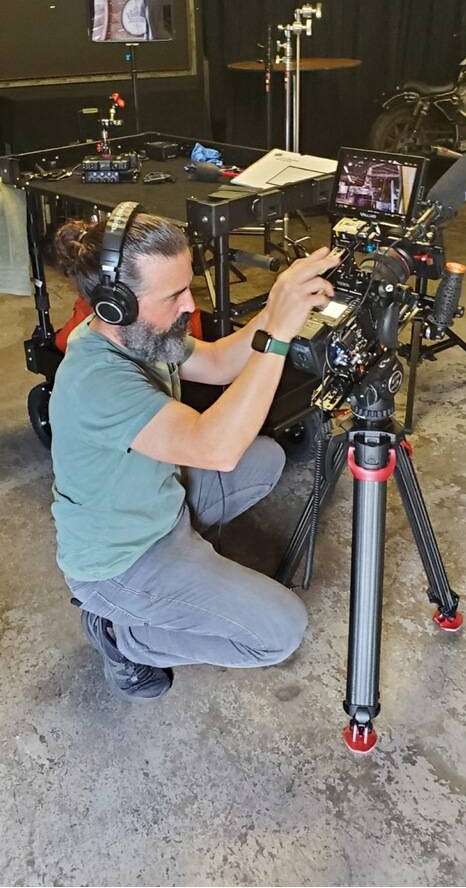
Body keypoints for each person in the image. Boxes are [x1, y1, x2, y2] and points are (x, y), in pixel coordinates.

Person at [51, 208, 339, 700]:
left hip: (155, 502)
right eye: (174, 295)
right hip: (121, 560)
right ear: (116, 304)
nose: (189, 304)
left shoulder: (139, 331)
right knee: (279, 631)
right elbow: (215, 449)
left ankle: (180, 580)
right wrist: (279, 338)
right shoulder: (98, 379)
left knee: (265, 458)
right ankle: (124, 635)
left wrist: (277, 307)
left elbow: (222, 362)